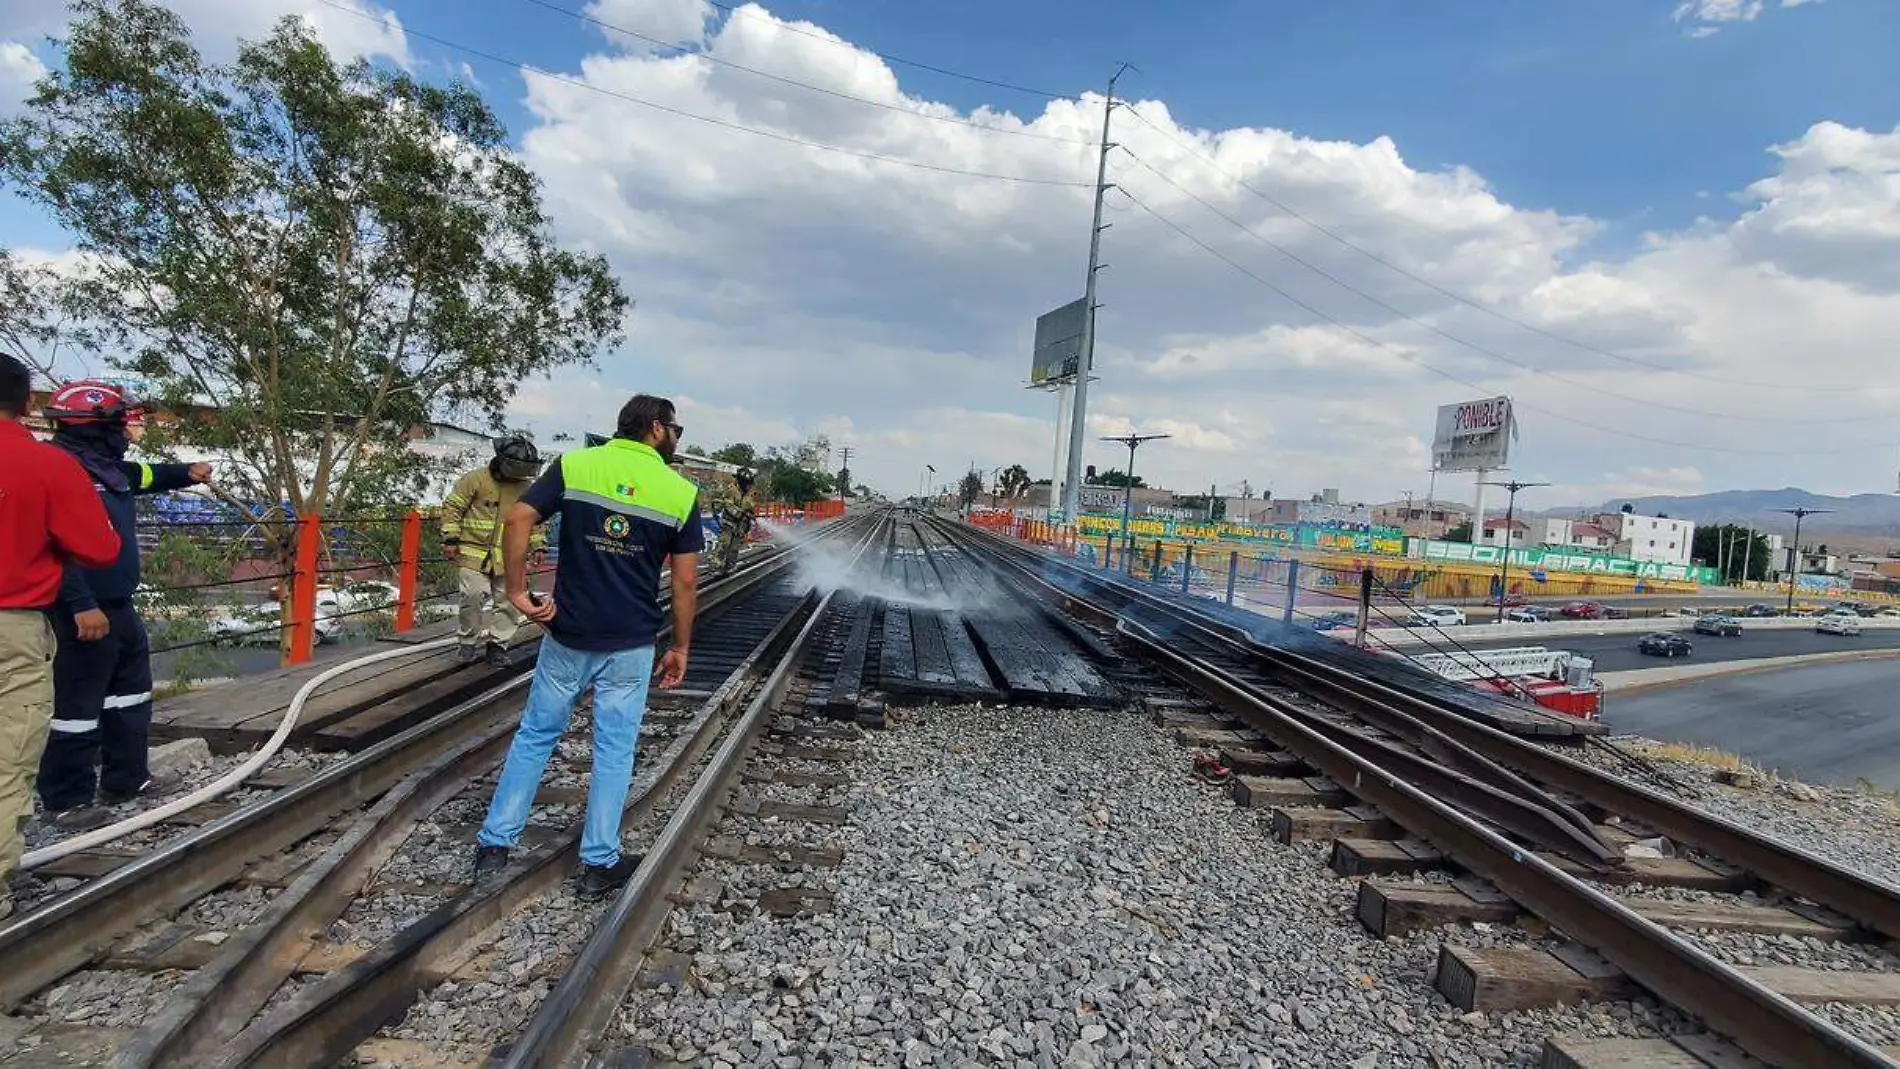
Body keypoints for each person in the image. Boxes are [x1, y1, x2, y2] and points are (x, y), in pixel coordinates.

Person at [471, 394, 703, 900]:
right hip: (630, 643)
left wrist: (516, 592)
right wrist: (680, 647)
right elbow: (685, 584)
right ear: (657, 429)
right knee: (614, 751)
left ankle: (494, 846)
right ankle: (599, 863)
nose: (676, 437)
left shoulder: (576, 466)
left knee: (535, 736)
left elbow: (517, 520)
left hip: (568, 634)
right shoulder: (680, 492)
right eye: (675, 429)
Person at [39, 380, 213, 831]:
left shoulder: (106, 469)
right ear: (96, 426)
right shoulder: (57, 469)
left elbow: (145, 477)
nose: (126, 430)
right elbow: (51, 544)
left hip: (117, 605)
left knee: (130, 696)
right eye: (120, 421)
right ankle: (66, 800)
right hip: (80, 612)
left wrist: (187, 471)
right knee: (75, 711)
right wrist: (79, 603)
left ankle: (125, 779)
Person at [0, 357, 121, 918]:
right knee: (7, 759)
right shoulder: (44, 464)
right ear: (25, 403)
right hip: (12, 626)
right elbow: (100, 548)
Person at [441, 437, 547, 666]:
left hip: (510, 554)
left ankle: (498, 645)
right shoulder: (475, 480)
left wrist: (538, 544)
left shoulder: (526, 488)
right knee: (472, 595)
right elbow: (453, 507)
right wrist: (450, 538)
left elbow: (534, 519)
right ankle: (467, 643)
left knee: (509, 600)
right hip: (473, 551)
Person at [707, 468, 758, 578]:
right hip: (729, 522)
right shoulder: (731, 490)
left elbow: (750, 505)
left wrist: (750, 514)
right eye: (748, 484)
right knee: (724, 545)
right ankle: (716, 567)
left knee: (734, 547)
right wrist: (741, 513)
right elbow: (728, 506)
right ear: (743, 482)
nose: (750, 486)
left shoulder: (748, 493)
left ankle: (730, 567)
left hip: (740, 525)